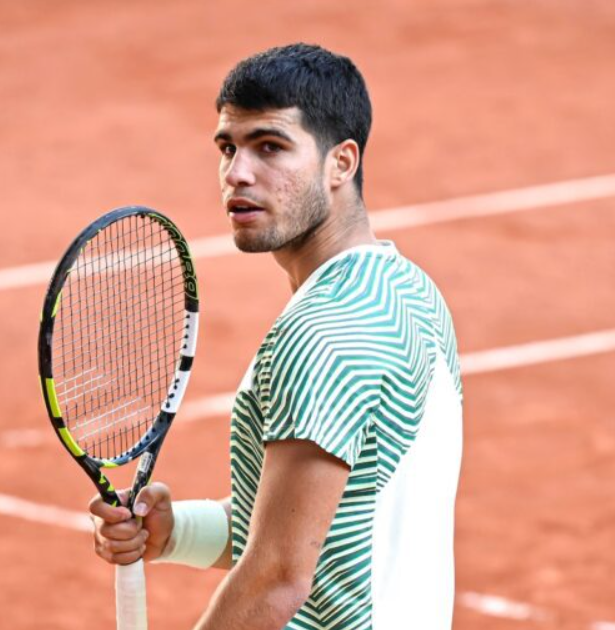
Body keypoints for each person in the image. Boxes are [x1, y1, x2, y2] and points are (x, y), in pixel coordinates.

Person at [89, 43, 463, 630]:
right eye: (227, 147)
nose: (238, 172)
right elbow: (330, 529)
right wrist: (177, 531)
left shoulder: (320, 335)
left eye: (270, 146)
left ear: (341, 163)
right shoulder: (407, 290)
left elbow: (276, 579)